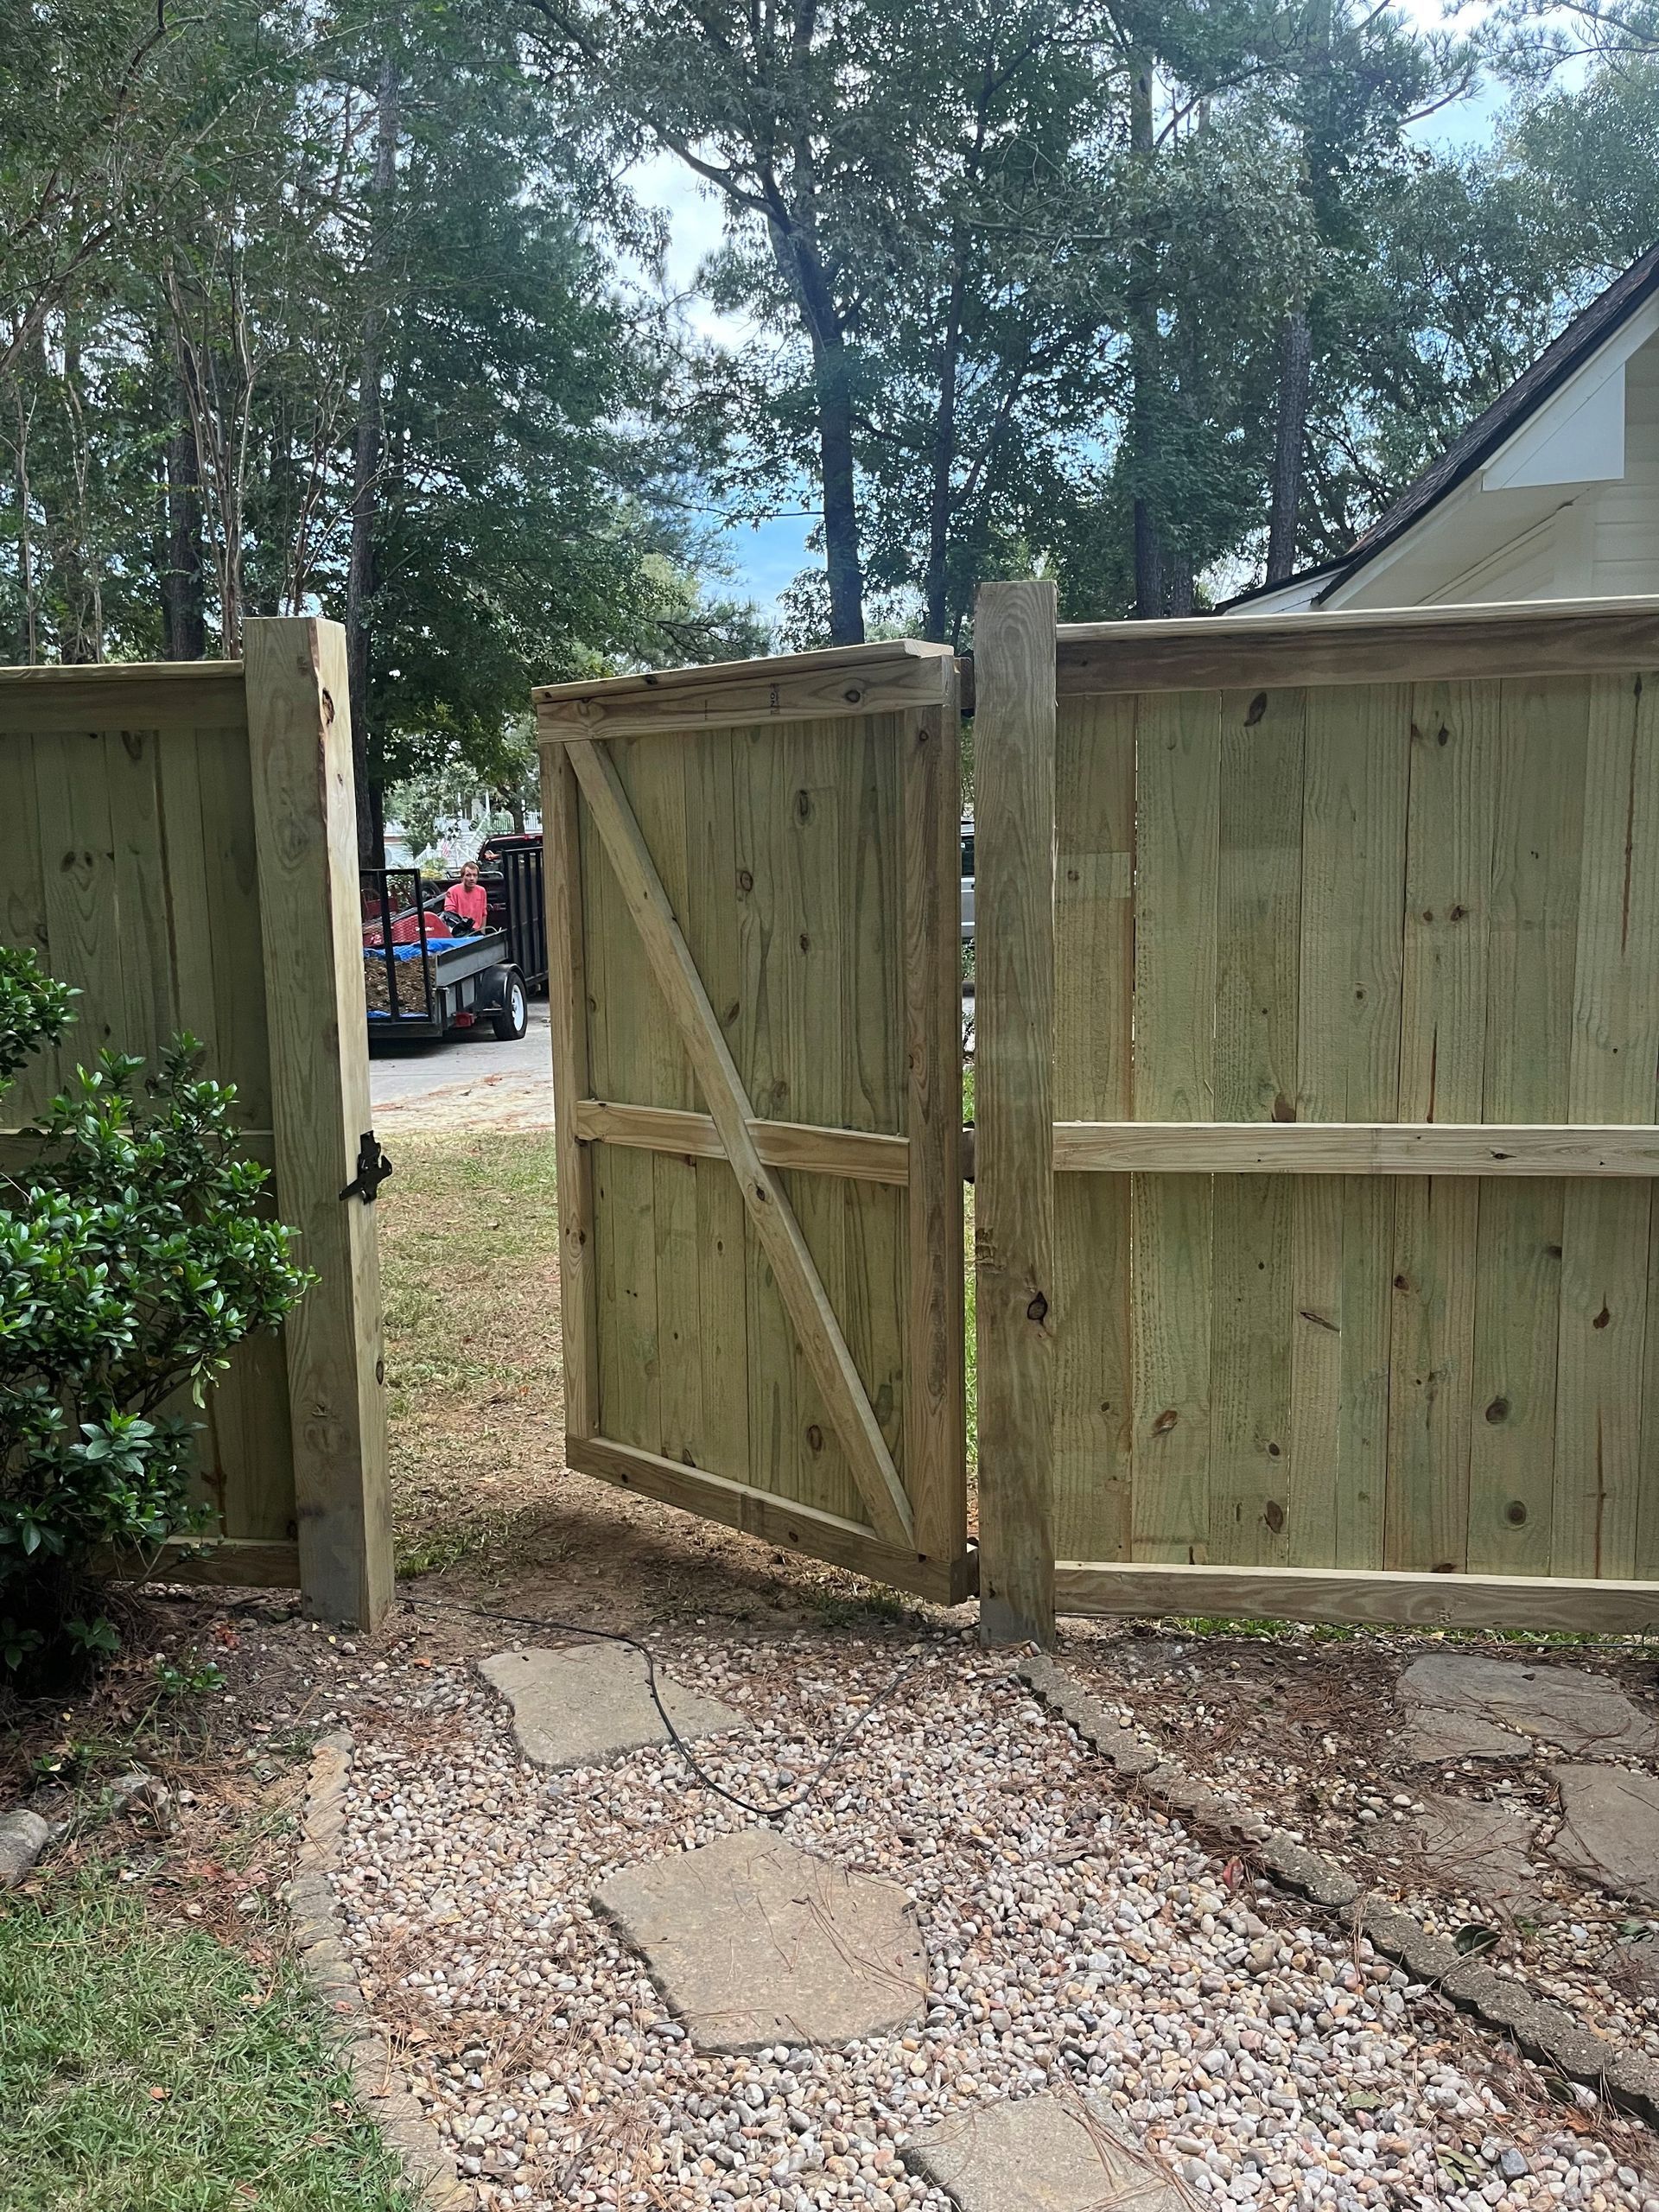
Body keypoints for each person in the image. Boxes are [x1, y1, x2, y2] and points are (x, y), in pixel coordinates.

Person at [442, 860, 489, 934]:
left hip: (476, 933)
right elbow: (449, 915)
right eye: (468, 875)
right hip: (459, 933)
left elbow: (484, 913)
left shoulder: (481, 891)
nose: (472, 878)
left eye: (475, 875)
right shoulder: (452, 891)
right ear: (462, 877)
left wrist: (483, 933)